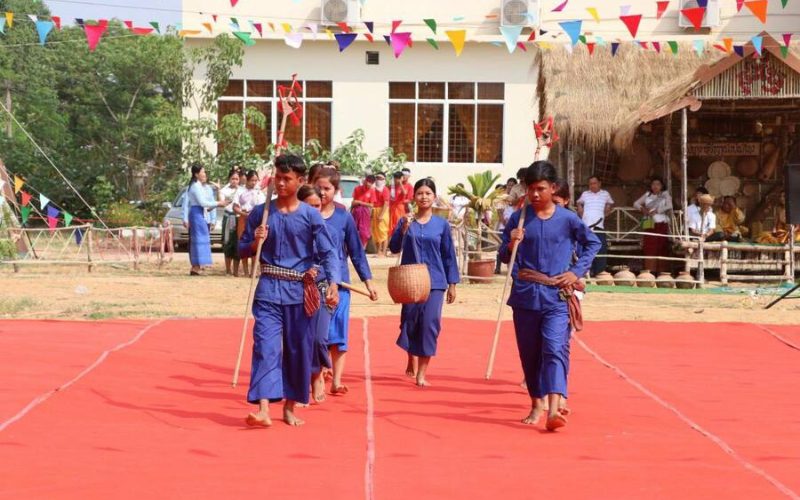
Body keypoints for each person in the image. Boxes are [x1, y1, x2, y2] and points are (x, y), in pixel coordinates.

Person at [239, 154, 340, 428]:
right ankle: (263, 409)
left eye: (287, 179)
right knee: (266, 347)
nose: (281, 183)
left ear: (300, 181)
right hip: (268, 290)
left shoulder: (310, 215)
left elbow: (329, 251)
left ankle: (290, 406)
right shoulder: (261, 213)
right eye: (278, 178)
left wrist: (333, 283)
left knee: (299, 349)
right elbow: (241, 248)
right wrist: (254, 242)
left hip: (300, 293)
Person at [500, 161, 600, 432]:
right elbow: (504, 258)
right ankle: (536, 403)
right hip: (525, 296)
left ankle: (554, 409)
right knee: (530, 353)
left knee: (554, 348)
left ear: (553, 188)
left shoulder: (568, 219)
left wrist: (576, 271)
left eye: (540, 189)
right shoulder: (518, 218)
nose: (534, 195)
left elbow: (593, 243)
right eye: (530, 189)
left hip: (557, 296)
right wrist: (511, 242)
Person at [389, 178, 460, 387]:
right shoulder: (406, 221)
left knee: (430, 323)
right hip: (409, 280)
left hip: (435, 281)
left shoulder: (441, 224)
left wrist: (453, 283)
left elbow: (449, 255)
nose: (424, 197)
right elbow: (394, 248)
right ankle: (411, 353)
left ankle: (422, 372)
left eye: (428, 193)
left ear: (434, 197)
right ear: (414, 197)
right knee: (410, 321)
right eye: (420, 193)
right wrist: (402, 231)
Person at [314, 168, 379, 395]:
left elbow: (356, 252)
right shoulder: (304, 213)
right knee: (317, 334)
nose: (322, 193)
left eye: (327, 188)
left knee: (338, 334)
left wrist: (368, 282)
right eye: (318, 187)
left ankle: (336, 380)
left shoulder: (343, 216)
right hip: (311, 284)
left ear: (336, 190)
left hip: (340, 284)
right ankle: (318, 373)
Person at [296, 184, 332, 403]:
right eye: (308, 207)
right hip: (294, 288)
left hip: (321, 289)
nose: (313, 212)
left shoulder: (327, 230)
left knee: (318, 338)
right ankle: (302, 384)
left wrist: (333, 283)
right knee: (300, 340)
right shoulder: (290, 227)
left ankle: (318, 373)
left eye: (317, 206)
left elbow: (334, 260)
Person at [182, 163, 226, 276]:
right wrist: (218, 203)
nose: (204, 174)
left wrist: (216, 205)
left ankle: (198, 266)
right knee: (197, 241)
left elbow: (208, 204)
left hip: (201, 213)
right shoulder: (195, 186)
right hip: (196, 214)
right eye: (203, 172)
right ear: (196, 174)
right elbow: (202, 203)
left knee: (202, 240)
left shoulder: (201, 186)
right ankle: (195, 267)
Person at [633, 178, 673, 274]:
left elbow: (669, 206)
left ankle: (662, 272)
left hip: (661, 223)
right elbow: (635, 203)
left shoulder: (665, 195)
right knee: (649, 246)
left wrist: (657, 211)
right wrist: (643, 209)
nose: (655, 186)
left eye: (658, 184)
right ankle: (650, 271)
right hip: (649, 222)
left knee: (661, 246)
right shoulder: (648, 195)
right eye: (653, 184)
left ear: (662, 186)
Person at [576, 176, 614, 277]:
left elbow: (610, 203)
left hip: (599, 225)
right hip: (586, 225)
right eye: (590, 184)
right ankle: (586, 272)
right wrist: (580, 209)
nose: (592, 185)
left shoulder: (605, 194)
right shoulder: (585, 194)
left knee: (601, 248)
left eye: (594, 183)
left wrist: (606, 211)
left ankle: (600, 272)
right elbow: (579, 202)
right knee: (586, 248)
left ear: (599, 183)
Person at [234, 170, 267, 277]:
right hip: (243, 219)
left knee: (255, 242)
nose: (254, 183)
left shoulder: (259, 192)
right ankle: (245, 270)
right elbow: (235, 207)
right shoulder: (240, 191)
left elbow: (263, 206)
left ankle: (253, 271)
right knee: (243, 243)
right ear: (247, 180)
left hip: (256, 220)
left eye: (255, 181)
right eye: (252, 180)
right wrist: (244, 214)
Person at [220, 167, 244, 276]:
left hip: (239, 218)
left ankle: (236, 271)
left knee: (237, 243)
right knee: (227, 243)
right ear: (229, 179)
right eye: (233, 178)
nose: (235, 181)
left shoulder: (242, 190)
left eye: (237, 179)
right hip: (228, 217)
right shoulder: (224, 190)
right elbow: (223, 202)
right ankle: (228, 270)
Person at [351, 175, 377, 248]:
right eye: (368, 182)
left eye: (371, 183)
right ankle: (353, 247)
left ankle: (363, 247)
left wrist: (360, 202)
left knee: (364, 232)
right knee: (354, 229)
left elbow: (371, 205)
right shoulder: (357, 188)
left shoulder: (372, 191)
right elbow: (354, 201)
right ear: (365, 181)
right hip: (356, 211)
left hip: (365, 212)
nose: (369, 184)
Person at [371, 172, 391, 256]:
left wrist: (381, 215)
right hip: (375, 210)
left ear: (384, 180)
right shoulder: (373, 189)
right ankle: (378, 251)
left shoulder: (385, 189)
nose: (378, 180)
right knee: (375, 231)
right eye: (377, 178)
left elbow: (386, 203)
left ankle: (383, 251)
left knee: (382, 231)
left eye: (380, 178)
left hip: (383, 210)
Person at [390, 171, 412, 238]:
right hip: (392, 207)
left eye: (399, 178)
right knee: (391, 225)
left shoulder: (408, 186)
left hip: (401, 208)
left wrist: (400, 183)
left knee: (399, 224)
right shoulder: (392, 186)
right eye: (396, 178)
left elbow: (405, 193)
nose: (397, 180)